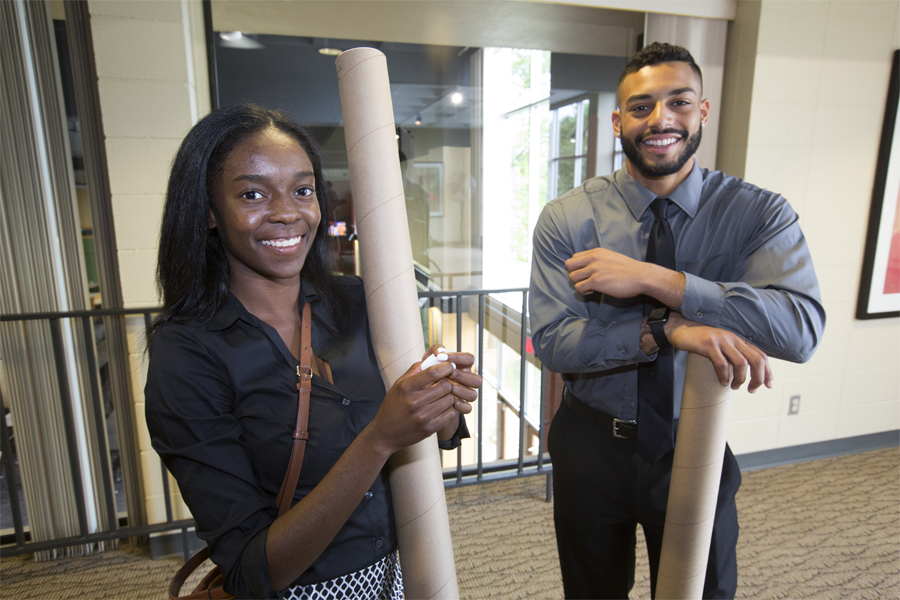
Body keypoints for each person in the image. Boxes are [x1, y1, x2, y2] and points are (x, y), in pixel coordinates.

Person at [145, 104, 481, 599]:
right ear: (210, 211)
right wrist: (379, 439)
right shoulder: (188, 354)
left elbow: (433, 440)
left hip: (401, 574)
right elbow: (251, 571)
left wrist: (441, 405)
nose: (287, 213)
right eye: (253, 194)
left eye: (303, 190)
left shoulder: (359, 301)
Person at [529, 42, 826, 599]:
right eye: (641, 107)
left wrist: (659, 281)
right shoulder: (567, 218)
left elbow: (800, 328)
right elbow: (552, 342)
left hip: (696, 445)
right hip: (590, 447)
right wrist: (667, 330)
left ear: (703, 112)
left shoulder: (758, 213)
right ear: (618, 120)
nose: (660, 119)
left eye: (679, 102)